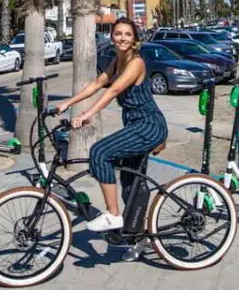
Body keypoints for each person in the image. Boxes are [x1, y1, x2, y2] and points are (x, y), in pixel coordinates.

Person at [56, 17, 168, 236]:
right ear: (112, 36)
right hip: (135, 126)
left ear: (134, 38)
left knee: (99, 152)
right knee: (130, 183)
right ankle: (135, 234)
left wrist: (87, 114)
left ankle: (113, 215)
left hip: (148, 125)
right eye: (118, 33)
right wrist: (66, 104)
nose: (122, 38)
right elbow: (98, 84)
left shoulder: (136, 62)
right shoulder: (117, 61)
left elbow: (112, 91)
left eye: (127, 34)